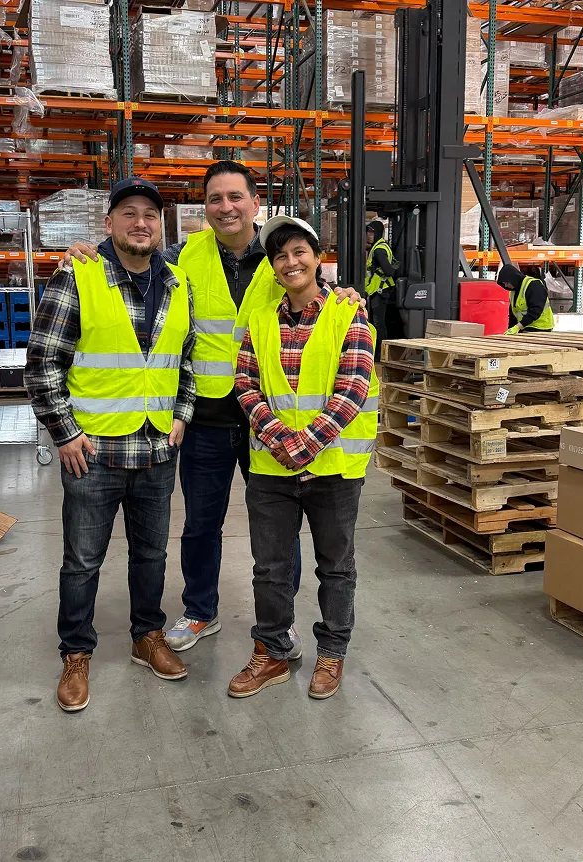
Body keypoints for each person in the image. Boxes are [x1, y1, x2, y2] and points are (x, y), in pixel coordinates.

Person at [62, 160, 364, 658]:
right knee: (201, 523)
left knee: (280, 530)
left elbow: (308, 285)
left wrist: (343, 292)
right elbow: (132, 255)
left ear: (255, 203)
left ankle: (282, 620)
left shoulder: (278, 254)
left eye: (235, 197)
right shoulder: (184, 254)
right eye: (215, 199)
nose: (226, 207)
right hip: (204, 417)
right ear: (204, 207)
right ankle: (201, 609)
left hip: (268, 420)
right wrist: (87, 251)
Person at [25, 177, 196, 712]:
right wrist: (65, 432)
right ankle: (77, 652)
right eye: (128, 213)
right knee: (82, 561)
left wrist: (182, 416)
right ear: (109, 223)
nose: (140, 222)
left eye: (150, 214)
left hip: (155, 449)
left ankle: (148, 636)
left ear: (159, 226)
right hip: (93, 453)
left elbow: (186, 360)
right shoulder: (78, 275)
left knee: (151, 554)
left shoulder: (177, 283)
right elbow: (42, 362)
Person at [228, 215, 379, 700]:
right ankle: (272, 651)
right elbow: (245, 383)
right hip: (271, 469)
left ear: (317, 258)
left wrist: (304, 445)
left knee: (336, 567)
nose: (290, 262)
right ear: (272, 267)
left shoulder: (347, 313)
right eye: (280, 256)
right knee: (269, 569)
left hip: (334, 469)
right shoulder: (260, 319)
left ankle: (331, 652)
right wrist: (279, 439)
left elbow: (353, 387)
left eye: (299, 252)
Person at [365, 220, 398, 359]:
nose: (369, 235)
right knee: (378, 323)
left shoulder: (379, 250)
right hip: (378, 291)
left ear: (378, 233)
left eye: (372, 232)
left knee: (378, 324)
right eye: (368, 232)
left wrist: (378, 271)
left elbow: (389, 271)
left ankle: (380, 354)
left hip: (380, 291)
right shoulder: (379, 246)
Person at [497, 263, 554, 333]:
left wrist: (517, 327)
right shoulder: (513, 292)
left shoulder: (534, 285)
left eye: (506, 283)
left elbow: (535, 310)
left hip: (541, 327)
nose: (506, 285)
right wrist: (511, 329)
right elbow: (513, 315)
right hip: (525, 327)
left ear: (513, 279)